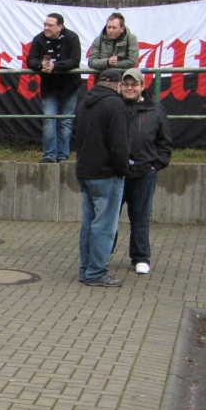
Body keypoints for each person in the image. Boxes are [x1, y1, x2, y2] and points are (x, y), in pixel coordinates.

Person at [73, 69, 130, 287]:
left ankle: (86, 269)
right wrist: (122, 168)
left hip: (85, 170)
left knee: (89, 223)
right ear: (118, 85)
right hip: (106, 173)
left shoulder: (84, 103)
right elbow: (119, 143)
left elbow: (76, 136)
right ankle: (96, 272)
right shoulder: (115, 104)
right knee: (104, 226)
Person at [120, 68, 172, 275]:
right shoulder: (114, 107)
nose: (129, 88)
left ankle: (140, 257)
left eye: (134, 85)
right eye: (126, 84)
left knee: (140, 217)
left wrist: (156, 164)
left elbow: (165, 142)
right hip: (117, 173)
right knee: (109, 218)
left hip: (144, 173)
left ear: (142, 86)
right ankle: (102, 257)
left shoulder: (156, 110)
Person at [26, 13, 82, 163]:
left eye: (50, 25)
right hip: (49, 87)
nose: (46, 28)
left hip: (70, 86)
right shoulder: (39, 39)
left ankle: (63, 156)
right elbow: (30, 60)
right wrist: (41, 65)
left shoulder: (72, 37)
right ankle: (49, 155)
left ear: (60, 27)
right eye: (45, 24)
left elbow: (75, 60)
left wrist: (55, 66)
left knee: (65, 122)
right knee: (49, 119)